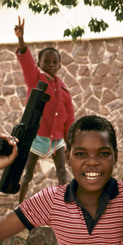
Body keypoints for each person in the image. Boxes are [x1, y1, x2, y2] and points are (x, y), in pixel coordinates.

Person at [0, 115, 123, 245]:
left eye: (103, 153)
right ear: (67, 156)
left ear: (116, 156)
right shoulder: (51, 200)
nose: (92, 162)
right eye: (81, 154)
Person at [14, 16, 75, 203]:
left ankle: (64, 205)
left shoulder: (63, 89)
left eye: (54, 62)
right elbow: (26, 62)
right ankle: (20, 204)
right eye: (47, 61)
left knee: (62, 172)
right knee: (28, 174)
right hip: (37, 136)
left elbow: (69, 118)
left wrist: (69, 141)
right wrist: (21, 40)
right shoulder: (36, 78)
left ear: (59, 65)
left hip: (56, 139)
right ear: (40, 63)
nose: (51, 65)